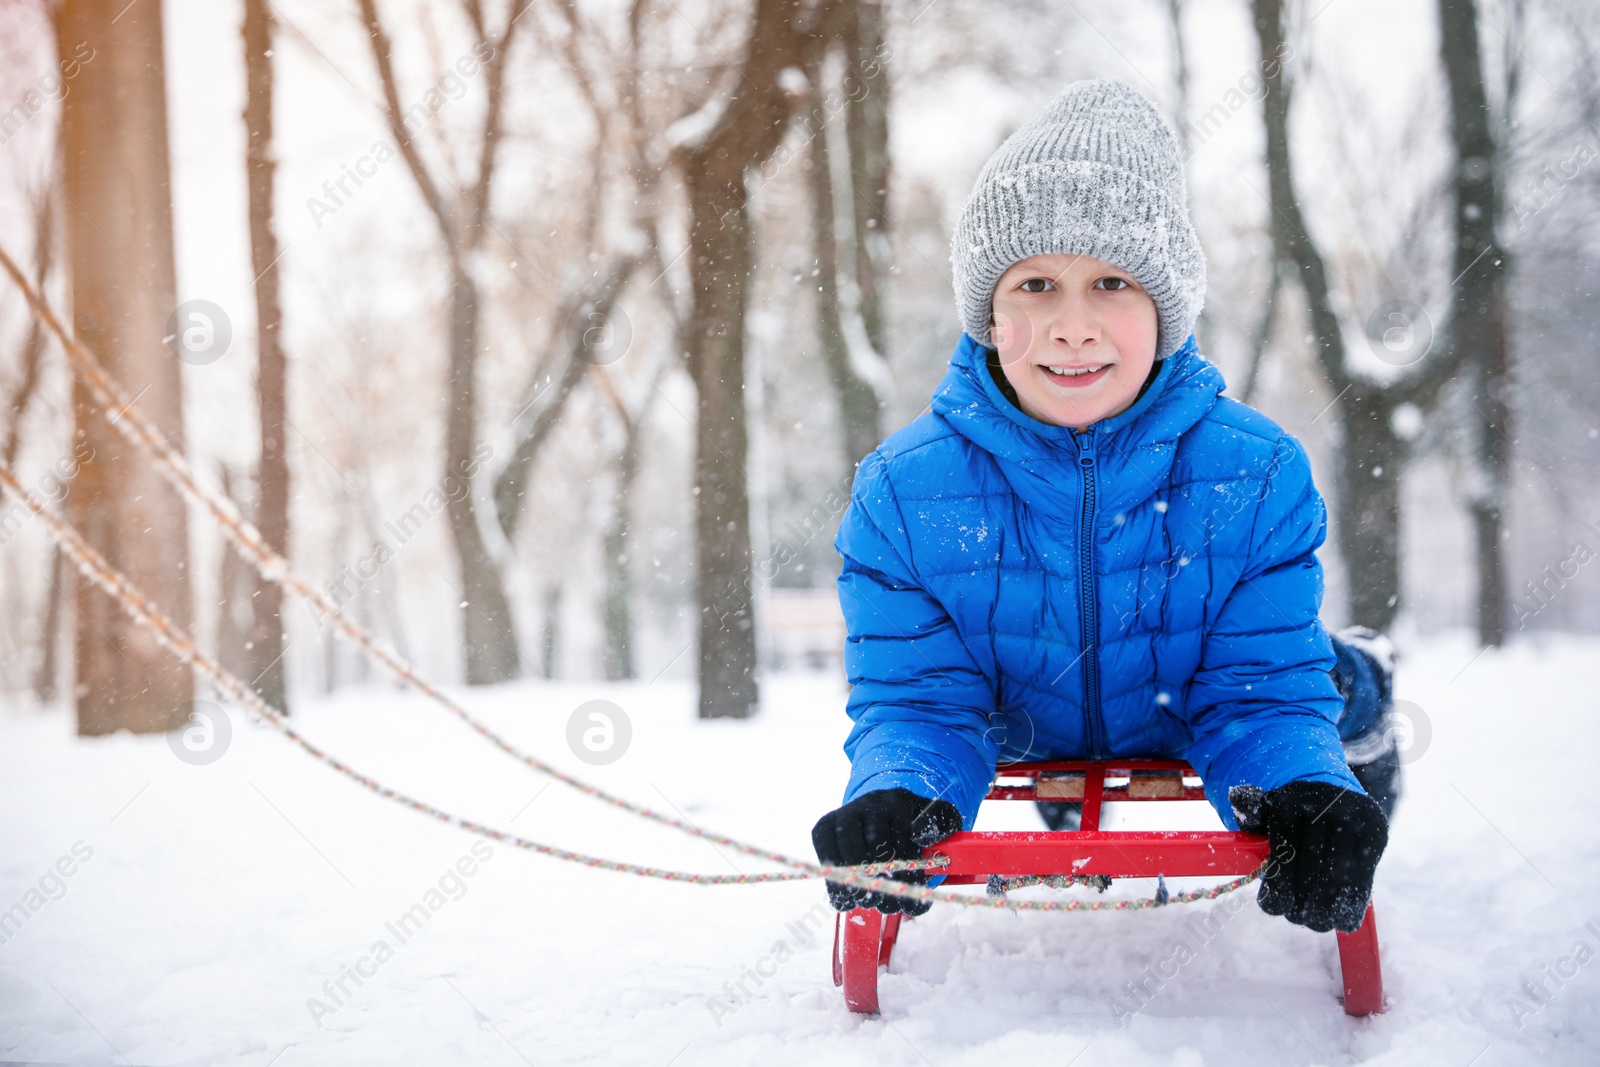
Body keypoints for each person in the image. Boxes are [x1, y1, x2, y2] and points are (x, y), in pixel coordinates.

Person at [810, 79, 1394, 936]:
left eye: (1114, 282)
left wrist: (1306, 786)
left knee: (1329, 686)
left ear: (1167, 308)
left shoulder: (1256, 474)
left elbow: (1257, 691)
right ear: (987, 315)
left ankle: (1367, 680)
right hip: (1029, 720)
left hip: (1189, 699)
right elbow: (923, 700)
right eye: (1036, 284)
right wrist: (898, 792)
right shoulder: (904, 493)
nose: (1073, 326)